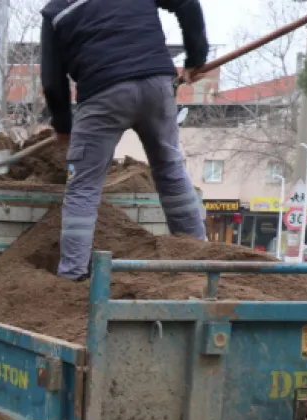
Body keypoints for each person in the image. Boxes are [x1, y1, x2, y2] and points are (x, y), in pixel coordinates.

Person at [40, 0, 210, 281]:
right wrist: (196, 58)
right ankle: (198, 260)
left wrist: (63, 126)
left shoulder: (56, 11)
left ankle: (72, 276)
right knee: (170, 169)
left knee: (83, 185)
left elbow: (52, 81)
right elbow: (187, 3)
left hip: (102, 95)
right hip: (157, 85)